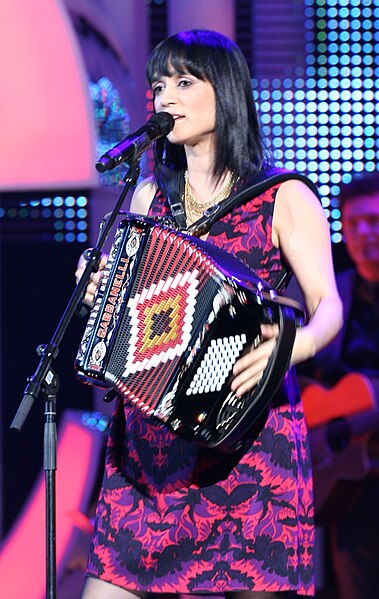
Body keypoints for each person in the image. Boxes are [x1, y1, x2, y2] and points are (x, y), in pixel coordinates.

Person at [75, 29, 342, 599]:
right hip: (149, 453)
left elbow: (329, 307)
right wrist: (99, 286)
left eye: (184, 82)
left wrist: (296, 345)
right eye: (158, 85)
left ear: (226, 91)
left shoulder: (283, 196)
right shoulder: (148, 199)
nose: (166, 97)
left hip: (247, 441)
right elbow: (130, 317)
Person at [296, 171, 379, 599]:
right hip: (346, 486)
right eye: (353, 225)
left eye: (374, 220)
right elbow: (309, 386)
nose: (364, 234)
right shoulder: (333, 297)